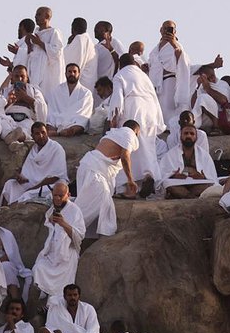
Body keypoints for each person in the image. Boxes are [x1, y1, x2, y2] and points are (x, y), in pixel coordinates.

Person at [109, 53, 165, 196]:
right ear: (134, 62)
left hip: (132, 108)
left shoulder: (119, 75)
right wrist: (159, 120)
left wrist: (113, 118)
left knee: (127, 146)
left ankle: (126, 187)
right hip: (150, 112)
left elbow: (117, 97)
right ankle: (148, 176)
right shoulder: (144, 76)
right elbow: (154, 97)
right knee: (148, 148)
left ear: (121, 65)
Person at [74, 119, 140, 236]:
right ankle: (67, 229)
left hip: (87, 167)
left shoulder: (113, 134)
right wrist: (130, 180)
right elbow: (125, 156)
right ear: (136, 132)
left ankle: (80, 235)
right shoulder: (128, 133)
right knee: (94, 203)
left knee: (94, 203)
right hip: (94, 171)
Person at [32, 183, 85, 300]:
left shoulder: (75, 210)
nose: (57, 198)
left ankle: (53, 302)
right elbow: (49, 220)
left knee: (62, 285)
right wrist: (50, 220)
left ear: (68, 195)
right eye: (55, 195)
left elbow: (79, 236)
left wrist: (63, 223)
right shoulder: (53, 209)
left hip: (67, 254)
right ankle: (45, 292)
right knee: (39, 268)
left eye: (61, 196)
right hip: (52, 253)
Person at [0, 121, 67, 206]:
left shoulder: (57, 149)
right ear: (32, 136)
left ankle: (10, 210)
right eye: (37, 134)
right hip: (32, 183)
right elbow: (28, 170)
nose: (41, 136)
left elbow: (55, 176)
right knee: (10, 185)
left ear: (47, 133)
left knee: (27, 195)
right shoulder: (33, 148)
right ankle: (2, 211)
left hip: (51, 184)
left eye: (43, 132)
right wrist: (20, 177)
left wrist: (33, 188)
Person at [40, 283, 105, 333]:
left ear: (79, 296)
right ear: (64, 296)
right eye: (69, 295)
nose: (72, 297)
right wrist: (56, 332)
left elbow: (93, 331)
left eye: (75, 295)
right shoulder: (57, 307)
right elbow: (51, 325)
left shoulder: (88, 309)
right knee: (42, 331)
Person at [0, 210, 32, 302]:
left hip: (9, 266)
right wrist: (0, 261)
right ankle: (15, 300)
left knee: (7, 266)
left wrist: (2, 260)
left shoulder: (6, 234)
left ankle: (15, 300)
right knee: (5, 266)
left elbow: (13, 256)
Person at [148, 20, 191, 126]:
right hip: (156, 84)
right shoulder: (154, 49)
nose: (167, 30)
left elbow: (181, 58)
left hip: (170, 79)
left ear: (175, 31)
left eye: (170, 29)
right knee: (158, 108)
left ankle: (171, 128)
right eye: (165, 28)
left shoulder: (176, 45)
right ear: (161, 30)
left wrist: (173, 43)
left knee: (169, 107)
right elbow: (152, 64)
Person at [160, 125, 218, 198]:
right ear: (181, 136)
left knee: (209, 185)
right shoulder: (171, 154)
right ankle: (192, 197)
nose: (189, 136)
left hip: (197, 184)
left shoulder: (204, 155)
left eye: (192, 134)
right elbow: (164, 174)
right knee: (168, 184)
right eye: (186, 133)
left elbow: (212, 177)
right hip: (178, 184)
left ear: (196, 137)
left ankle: (185, 196)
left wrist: (203, 177)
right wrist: (174, 176)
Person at [0, 64, 48, 143]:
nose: (20, 79)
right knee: (2, 125)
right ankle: (14, 138)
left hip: (26, 119)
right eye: (17, 76)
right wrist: (8, 102)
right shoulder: (5, 91)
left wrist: (26, 97)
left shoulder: (34, 91)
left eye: (22, 76)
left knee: (28, 128)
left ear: (27, 78)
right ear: (12, 78)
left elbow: (42, 107)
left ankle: (18, 136)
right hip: (8, 119)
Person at [26, 7, 64, 100]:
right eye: (36, 14)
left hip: (48, 75)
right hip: (34, 73)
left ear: (47, 16)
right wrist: (28, 45)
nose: (35, 17)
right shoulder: (35, 33)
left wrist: (39, 42)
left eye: (39, 14)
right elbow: (32, 55)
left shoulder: (53, 32)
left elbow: (57, 53)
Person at [46, 63, 93, 137]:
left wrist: (72, 127)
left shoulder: (86, 93)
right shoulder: (56, 91)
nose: (72, 74)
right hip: (57, 124)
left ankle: (67, 131)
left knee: (81, 122)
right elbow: (51, 111)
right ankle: (57, 132)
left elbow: (84, 114)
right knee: (49, 123)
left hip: (75, 125)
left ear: (79, 74)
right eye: (69, 72)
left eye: (74, 72)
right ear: (65, 74)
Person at [63, 18, 97, 91]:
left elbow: (67, 61)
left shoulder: (79, 39)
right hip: (89, 85)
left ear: (73, 28)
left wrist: (68, 45)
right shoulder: (89, 41)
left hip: (80, 86)